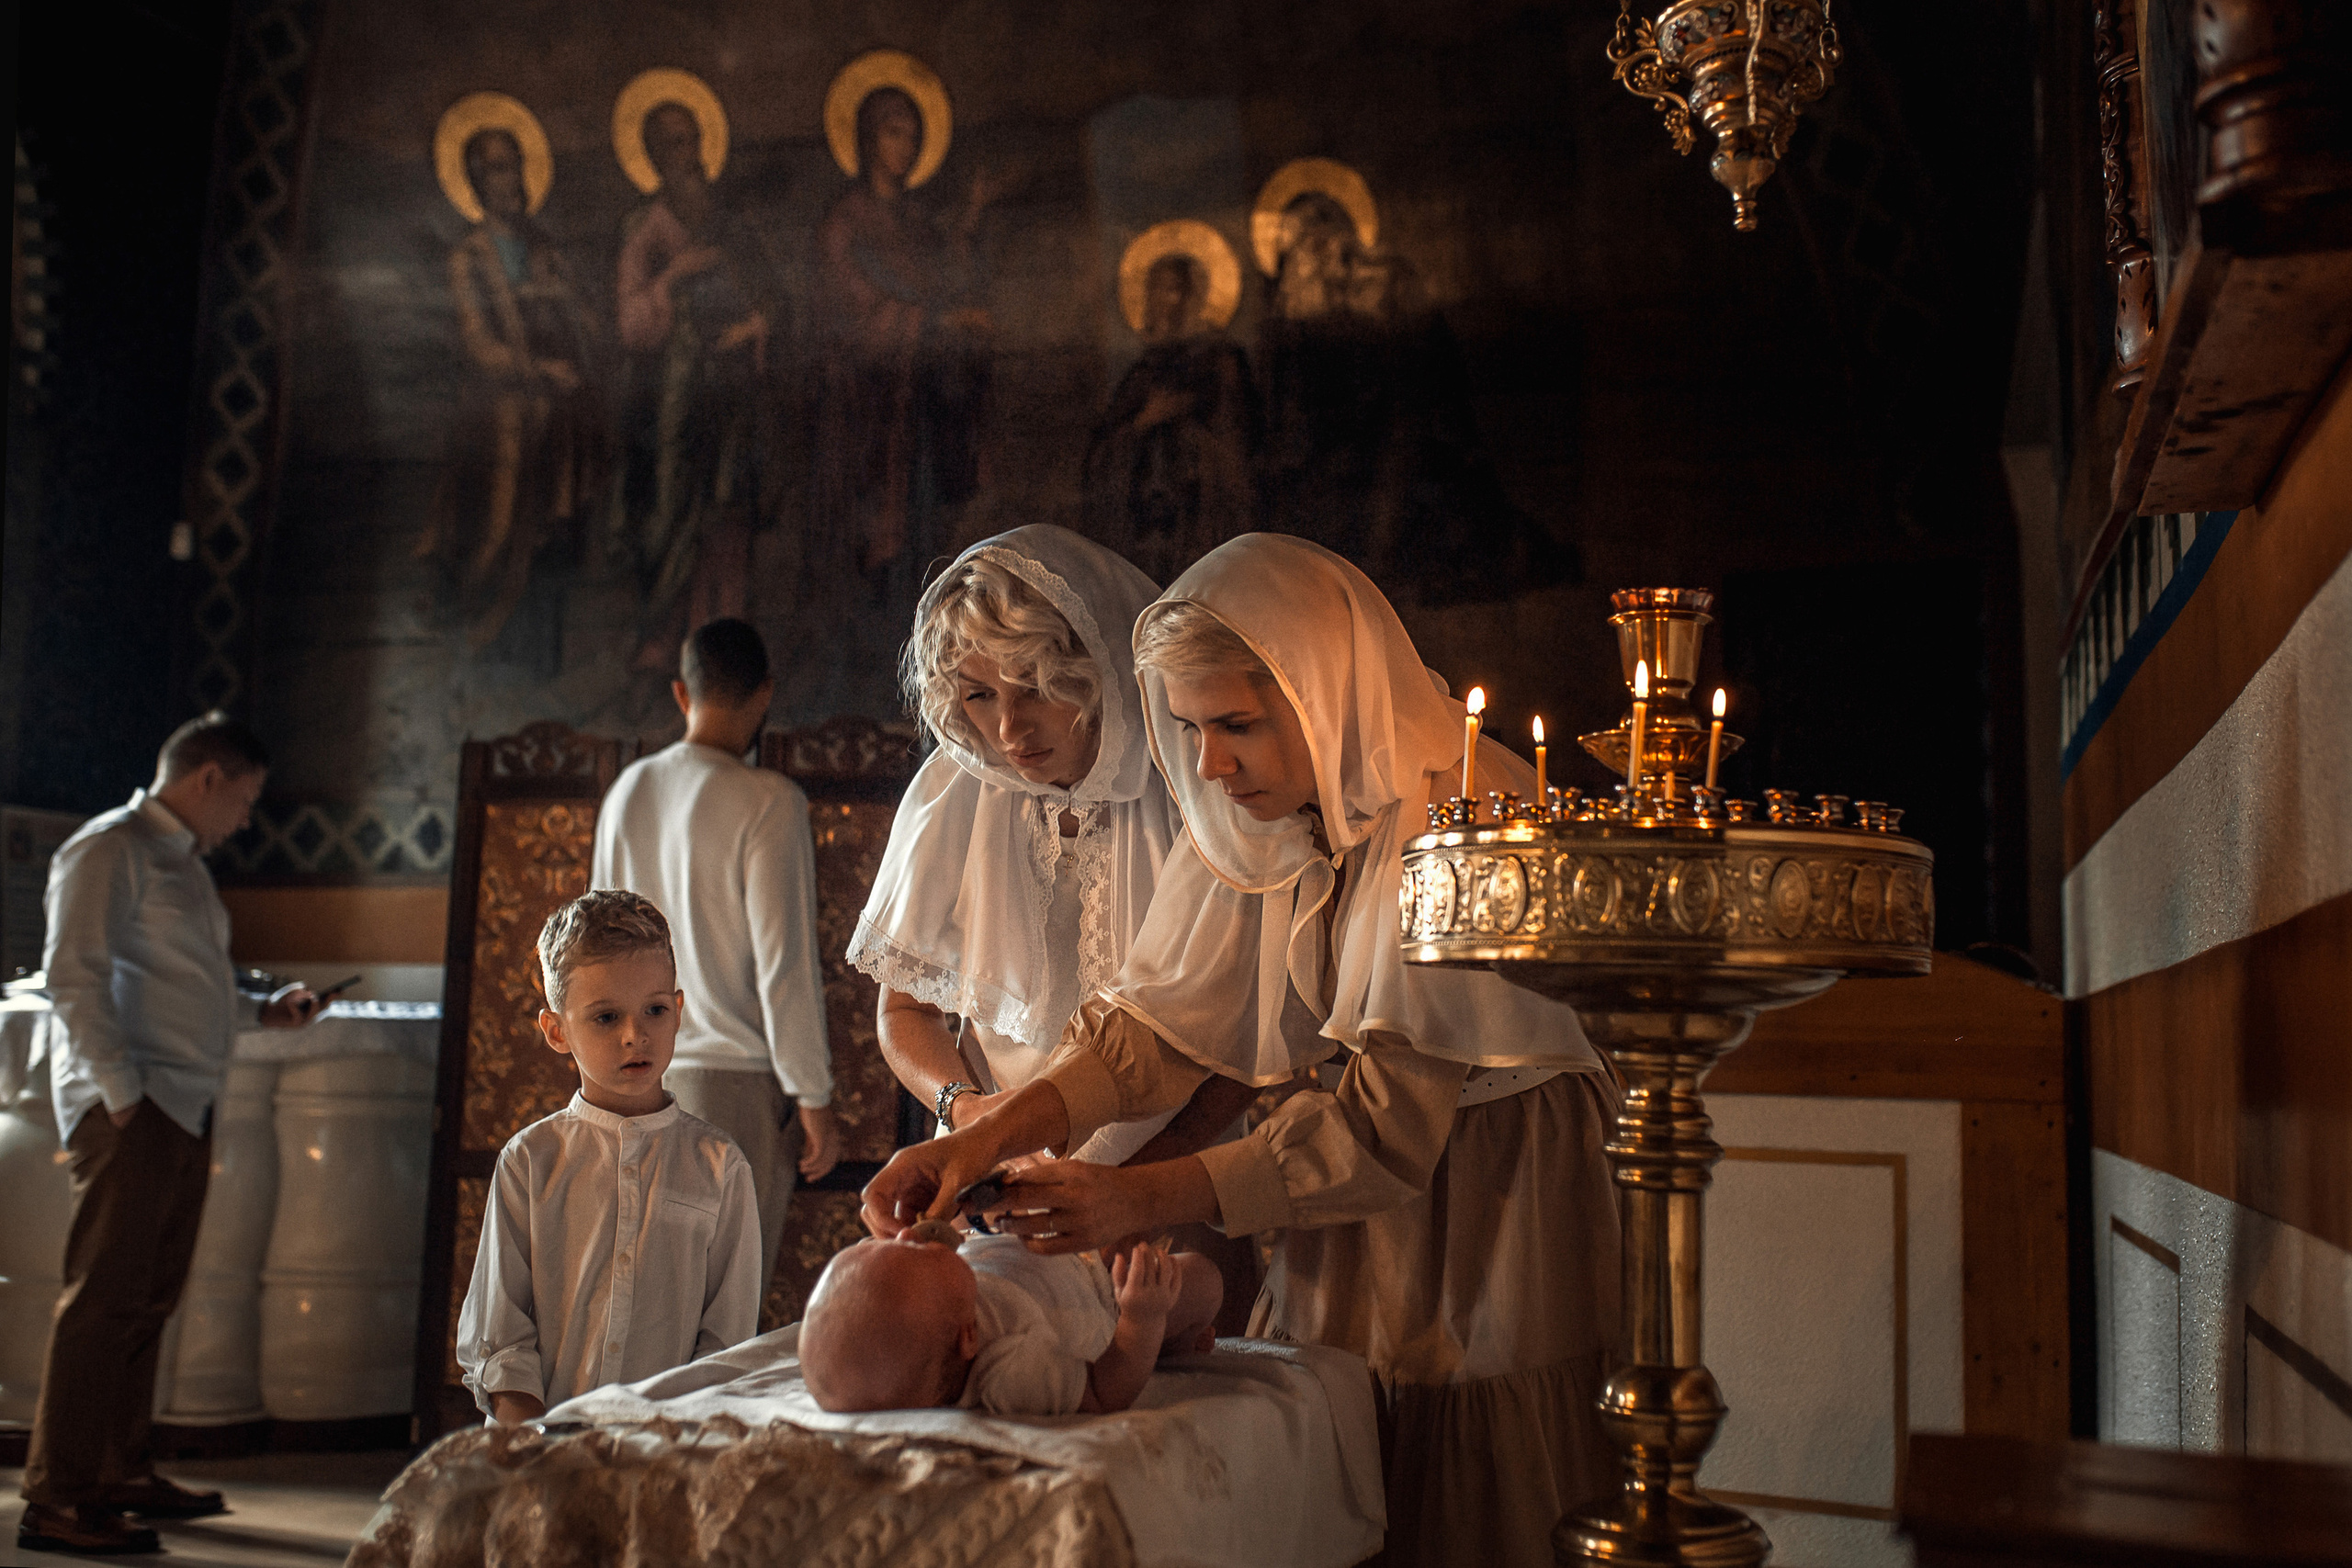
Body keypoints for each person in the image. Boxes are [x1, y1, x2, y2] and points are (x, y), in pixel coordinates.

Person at [863, 534, 1623, 1567]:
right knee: (1340, 1447)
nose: (1209, 764)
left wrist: (1137, 1197)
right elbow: (1152, 1031)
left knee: (1470, 1484)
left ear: (1321, 698)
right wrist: (982, 1134)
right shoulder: (1262, 810)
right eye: (1187, 729)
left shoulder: (1460, 818)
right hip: (1350, 1185)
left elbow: (1380, 1130)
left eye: (1237, 725)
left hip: (1486, 1187)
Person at [846, 525, 1255, 1181]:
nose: (1009, 728)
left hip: (1170, 1174)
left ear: (1095, 669)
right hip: (994, 1167)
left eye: (1033, 685)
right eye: (979, 695)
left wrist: (1127, 1193)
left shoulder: (1194, 790)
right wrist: (968, 1111)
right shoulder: (955, 794)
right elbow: (903, 1012)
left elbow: (1242, 1054)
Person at [20, 712, 320, 1557]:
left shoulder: (180, 865)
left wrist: (263, 1011)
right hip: (136, 1103)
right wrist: (121, 1093)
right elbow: (72, 975)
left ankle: (118, 1470)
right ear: (209, 777)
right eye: (248, 798)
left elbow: (180, 986)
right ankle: (58, 1497)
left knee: (147, 1296)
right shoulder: (107, 847)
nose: (249, 818)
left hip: (181, 1099)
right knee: (103, 1298)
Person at [455, 890, 763, 1425]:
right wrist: (531, 1451)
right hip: (540, 1452)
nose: (635, 1035)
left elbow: (726, 1345)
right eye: (605, 1018)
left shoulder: (721, 1167)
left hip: (667, 1453)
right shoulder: (530, 1162)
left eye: (655, 1010)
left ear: (679, 1010)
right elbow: (501, 1337)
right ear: (557, 1032)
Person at [593, 618, 835, 1294]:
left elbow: (591, 958)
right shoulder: (770, 801)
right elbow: (783, 963)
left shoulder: (627, 794)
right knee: (721, 1312)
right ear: (765, 695)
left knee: (640, 1305)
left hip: (625, 1084)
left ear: (681, 693)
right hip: (731, 1088)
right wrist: (814, 1097)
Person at [417, 123, 605, 652]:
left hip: (558, 418)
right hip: (498, 417)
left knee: (549, 539)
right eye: (497, 168)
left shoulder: (547, 249)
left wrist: (564, 295)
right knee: (497, 530)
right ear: (476, 182)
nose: (512, 179)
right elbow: (475, 341)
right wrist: (538, 371)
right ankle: (467, 637)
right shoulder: (469, 258)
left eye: (515, 164)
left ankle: (530, 656)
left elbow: (593, 328)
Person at [610, 97, 778, 655]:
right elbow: (631, 324)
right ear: (651, 157)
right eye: (665, 145)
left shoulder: (732, 223)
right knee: (668, 504)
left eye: (686, 141)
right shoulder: (643, 226)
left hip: (732, 388)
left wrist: (754, 325)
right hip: (671, 391)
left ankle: (723, 638)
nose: (679, 155)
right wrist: (676, 275)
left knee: (727, 508)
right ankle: (659, 640)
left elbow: (773, 297)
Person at [800, 1223, 1219, 1416]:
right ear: (970, 1336)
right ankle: (1170, 1342)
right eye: (917, 1252)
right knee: (1204, 1278)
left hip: (1060, 1253)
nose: (906, 1235)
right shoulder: (1008, 1368)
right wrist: (1142, 1320)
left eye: (884, 1244)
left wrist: (952, 1229)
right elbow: (1102, 1393)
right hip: (1104, 1301)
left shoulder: (937, 1309)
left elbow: (958, 1244)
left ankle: (1172, 1336)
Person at [1082, 251, 1260, 585]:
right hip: (1144, 529)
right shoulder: (1142, 371)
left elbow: (1238, 446)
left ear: (1196, 297)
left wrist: (1190, 431)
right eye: (1157, 290)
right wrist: (1145, 422)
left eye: (1175, 290)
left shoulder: (1223, 363)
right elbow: (1102, 454)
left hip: (1200, 522)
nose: (1165, 302)